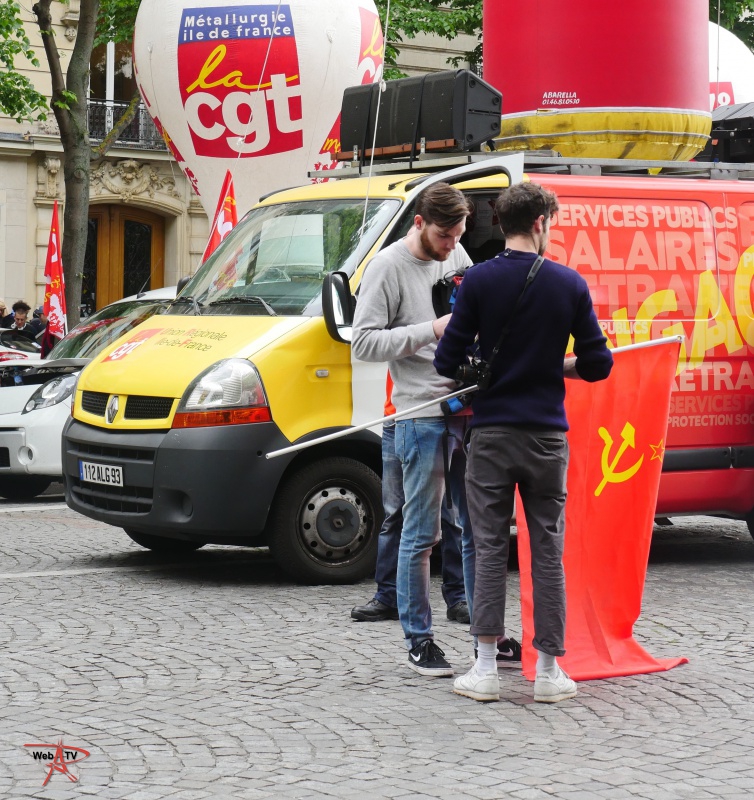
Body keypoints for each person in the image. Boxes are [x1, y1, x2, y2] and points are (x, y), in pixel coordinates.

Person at [434, 182, 613, 703]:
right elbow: (600, 364)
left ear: (503, 222)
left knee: (488, 547)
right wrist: (554, 367)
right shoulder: (568, 283)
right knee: (548, 551)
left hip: (490, 436)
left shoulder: (479, 282)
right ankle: (550, 671)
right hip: (546, 438)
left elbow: (447, 363)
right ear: (541, 223)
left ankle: (486, 668)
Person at [351, 182, 478, 677]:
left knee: (473, 528)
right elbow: (362, 344)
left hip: (465, 407)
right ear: (420, 223)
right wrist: (433, 329)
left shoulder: (456, 253)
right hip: (419, 413)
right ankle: (419, 640)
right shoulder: (386, 267)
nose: (452, 247)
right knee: (419, 534)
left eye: (458, 236)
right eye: (445, 236)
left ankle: (483, 632)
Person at [350, 381, 471, 625]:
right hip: (397, 417)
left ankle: (458, 596)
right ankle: (387, 596)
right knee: (394, 514)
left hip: (441, 416)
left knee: (451, 514)